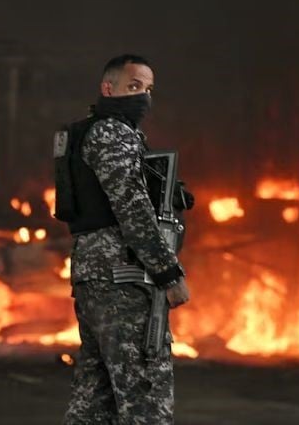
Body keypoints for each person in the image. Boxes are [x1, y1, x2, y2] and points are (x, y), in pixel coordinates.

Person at [61, 54, 191, 425]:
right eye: (134, 87)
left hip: (97, 274)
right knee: (145, 396)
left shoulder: (94, 132)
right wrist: (168, 273)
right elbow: (132, 209)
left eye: (148, 89)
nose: (143, 97)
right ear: (108, 88)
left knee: (93, 401)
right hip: (123, 276)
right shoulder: (112, 132)